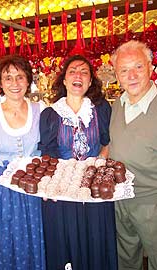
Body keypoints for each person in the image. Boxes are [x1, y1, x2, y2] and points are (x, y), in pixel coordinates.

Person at [38, 54, 118, 270]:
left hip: (94, 190)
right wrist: (52, 185)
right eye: (73, 71)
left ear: (90, 81)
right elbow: (48, 153)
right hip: (63, 190)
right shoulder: (50, 114)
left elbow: (107, 142)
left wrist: (97, 167)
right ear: (63, 80)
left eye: (84, 72)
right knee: (66, 244)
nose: (78, 75)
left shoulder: (101, 110)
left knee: (96, 241)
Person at [0, 55, 46, 270]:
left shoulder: (41, 109)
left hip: (35, 187)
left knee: (36, 236)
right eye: (8, 78)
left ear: (28, 80)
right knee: (6, 240)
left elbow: (49, 151)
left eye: (20, 77)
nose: (14, 83)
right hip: (3, 190)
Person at [109, 40, 157, 270]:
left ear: (150, 67)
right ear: (117, 75)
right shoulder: (117, 105)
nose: (132, 75)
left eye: (138, 67)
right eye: (124, 70)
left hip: (151, 202)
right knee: (126, 259)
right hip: (120, 199)